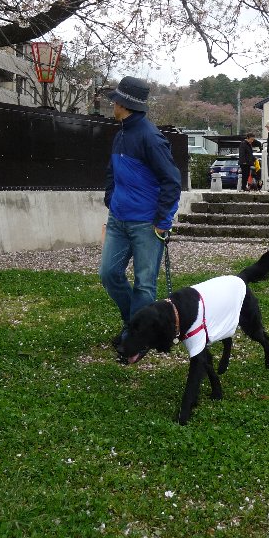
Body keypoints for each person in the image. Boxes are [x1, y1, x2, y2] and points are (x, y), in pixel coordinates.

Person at [99, 76, 182, 357]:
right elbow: (112, 171)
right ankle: (134, 327)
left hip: (146, 223)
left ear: (124, 104)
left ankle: (135, 338)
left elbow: (172, 180)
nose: (112, 104)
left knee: (145, 284)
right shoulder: (121, 134)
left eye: (115, 100)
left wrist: (163, 221)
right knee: (109, 274)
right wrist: (111, 198)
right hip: (118, 219)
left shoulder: (150, 137)